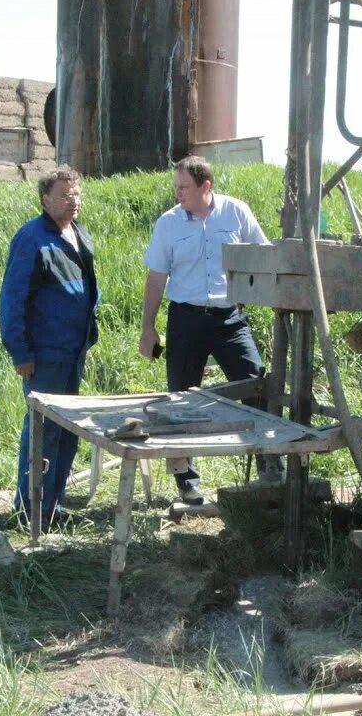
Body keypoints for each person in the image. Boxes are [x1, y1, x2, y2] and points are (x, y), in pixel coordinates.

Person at [139, 156, 279, 506]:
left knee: (257, 384)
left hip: (229, 318)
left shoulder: (236, 213)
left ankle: (270, 468)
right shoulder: (168, 223)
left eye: (184, 187)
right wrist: (148, 328)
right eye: (176, 187)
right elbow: (156, 277)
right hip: (186, 319)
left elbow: (263, 258)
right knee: (181, 398)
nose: (178, 193)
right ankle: (187, 482)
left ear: (206, 187)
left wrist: (275, 300)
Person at [0, 166, 100, 530]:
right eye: (63, 196)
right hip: (44, 354)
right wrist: (20, 352)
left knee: (67, 430)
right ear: (44, 199)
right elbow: (12, 300)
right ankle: (30, 510)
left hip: (72, 352)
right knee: (42, 431)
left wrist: (87, 340)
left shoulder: (77, 233)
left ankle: (52, 505)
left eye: (76, 195)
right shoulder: (32, 238)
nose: (72, 202)